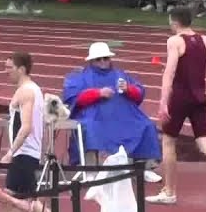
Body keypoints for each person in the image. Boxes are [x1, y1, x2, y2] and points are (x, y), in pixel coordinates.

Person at [0, 52, 73, 212]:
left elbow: (26, 126)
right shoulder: (33, 90)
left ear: (22, 69)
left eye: (9, 68)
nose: (6, 72)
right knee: (19, 202)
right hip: (27, 153)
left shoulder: (26, 91)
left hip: (24, 155)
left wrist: (10, 152)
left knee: (18, 202)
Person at [147, 7, 206, 207]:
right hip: (199, 96)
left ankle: (170, 191)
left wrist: (163, 103)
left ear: (175, 22)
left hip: (180, 97)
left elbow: (169, 74)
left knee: (168, 141)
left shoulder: (174, 41)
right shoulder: (205, 40)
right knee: (205, 143)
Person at [61, 42, 161, 176]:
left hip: (123, 115)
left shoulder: (120, 74)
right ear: (91, 61)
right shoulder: (82, 77)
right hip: (96, 116)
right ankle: (90, 170)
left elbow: (139, 93)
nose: (103, 61)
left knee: (146, 125)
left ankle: (143, 167)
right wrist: (97, 93)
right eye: (98, 59)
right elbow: (75, 98)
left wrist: (128, 89)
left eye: (106, 58)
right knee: (90, 128)